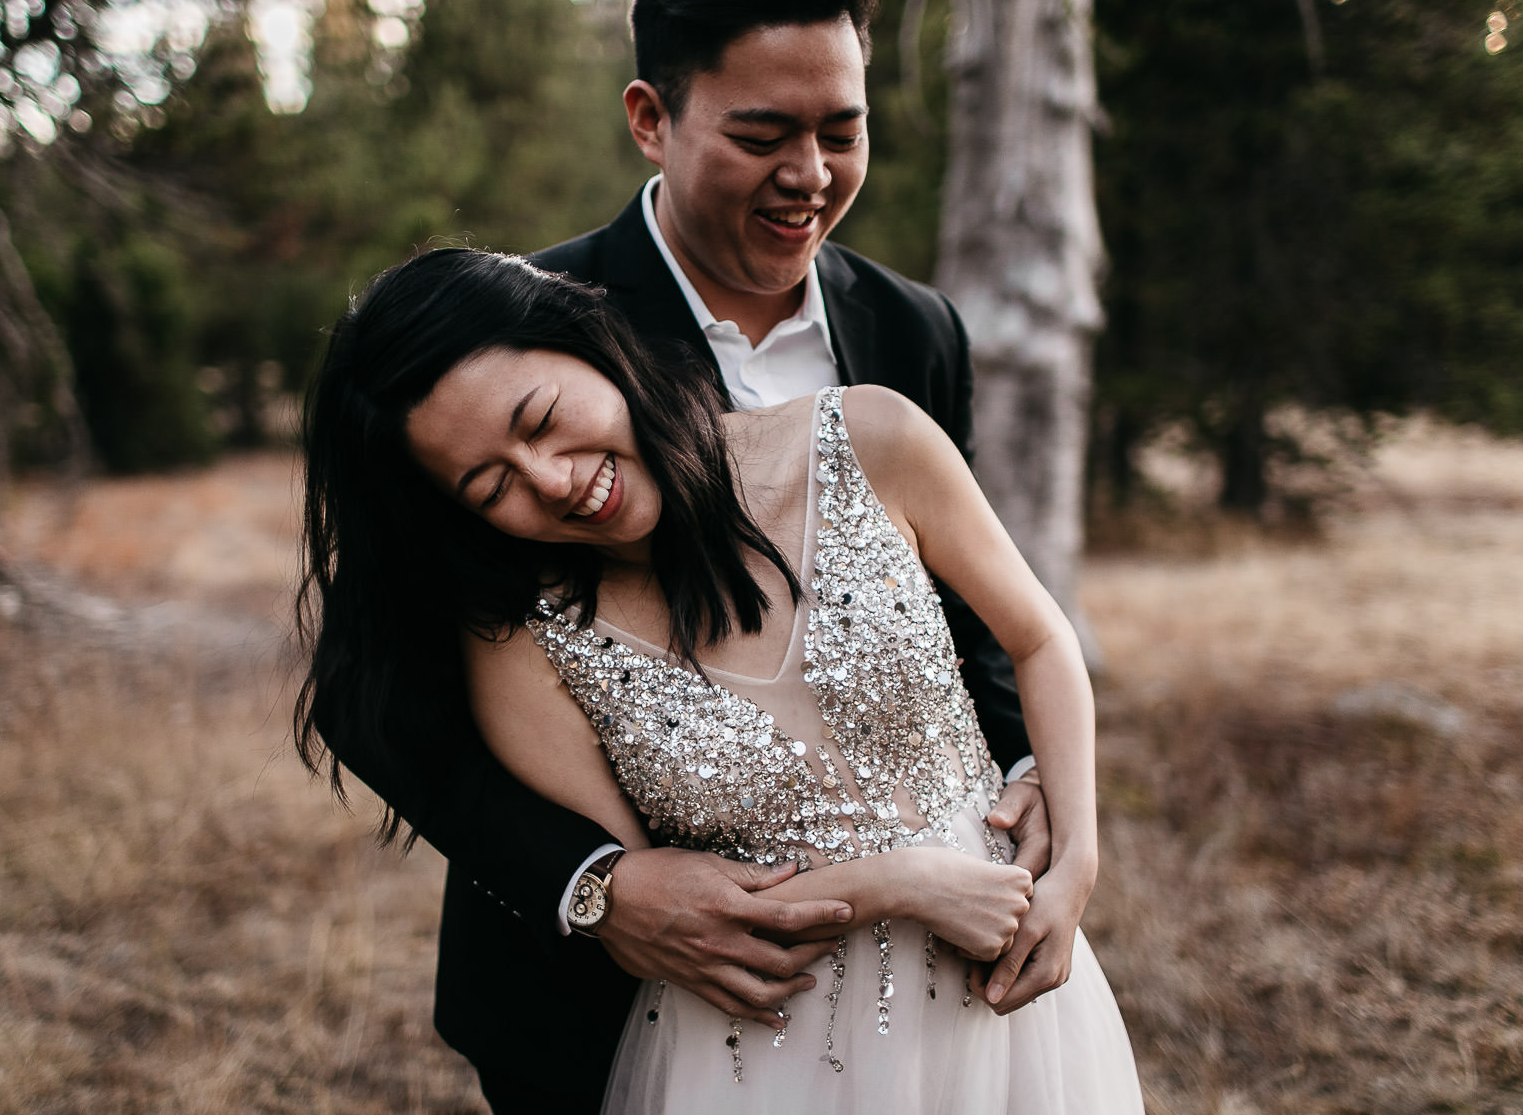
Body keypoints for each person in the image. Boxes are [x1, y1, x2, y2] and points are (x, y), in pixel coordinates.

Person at [296, 248, 1143, 1112]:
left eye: (542, 418)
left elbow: (1037, 638)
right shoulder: (525, 640)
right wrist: (908, 883)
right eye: (491, 486)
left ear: (586, 341)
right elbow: (662, 911)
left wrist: (1075, 860)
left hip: (1008, 996)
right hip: (763, 1049)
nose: (552, 481)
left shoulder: (874, 435)